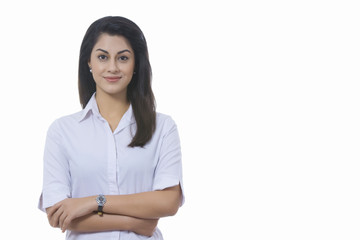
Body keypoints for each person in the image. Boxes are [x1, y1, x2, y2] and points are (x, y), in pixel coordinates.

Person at [38, 16, 184, 240]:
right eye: (102, 57)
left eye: (123, 58)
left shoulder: (163, 127)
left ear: (136, 64)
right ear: (89, 61)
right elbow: (58, 214)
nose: (112, 67)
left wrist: (92, 202)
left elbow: (169, 201)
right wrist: (135, 222)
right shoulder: (62, 131)